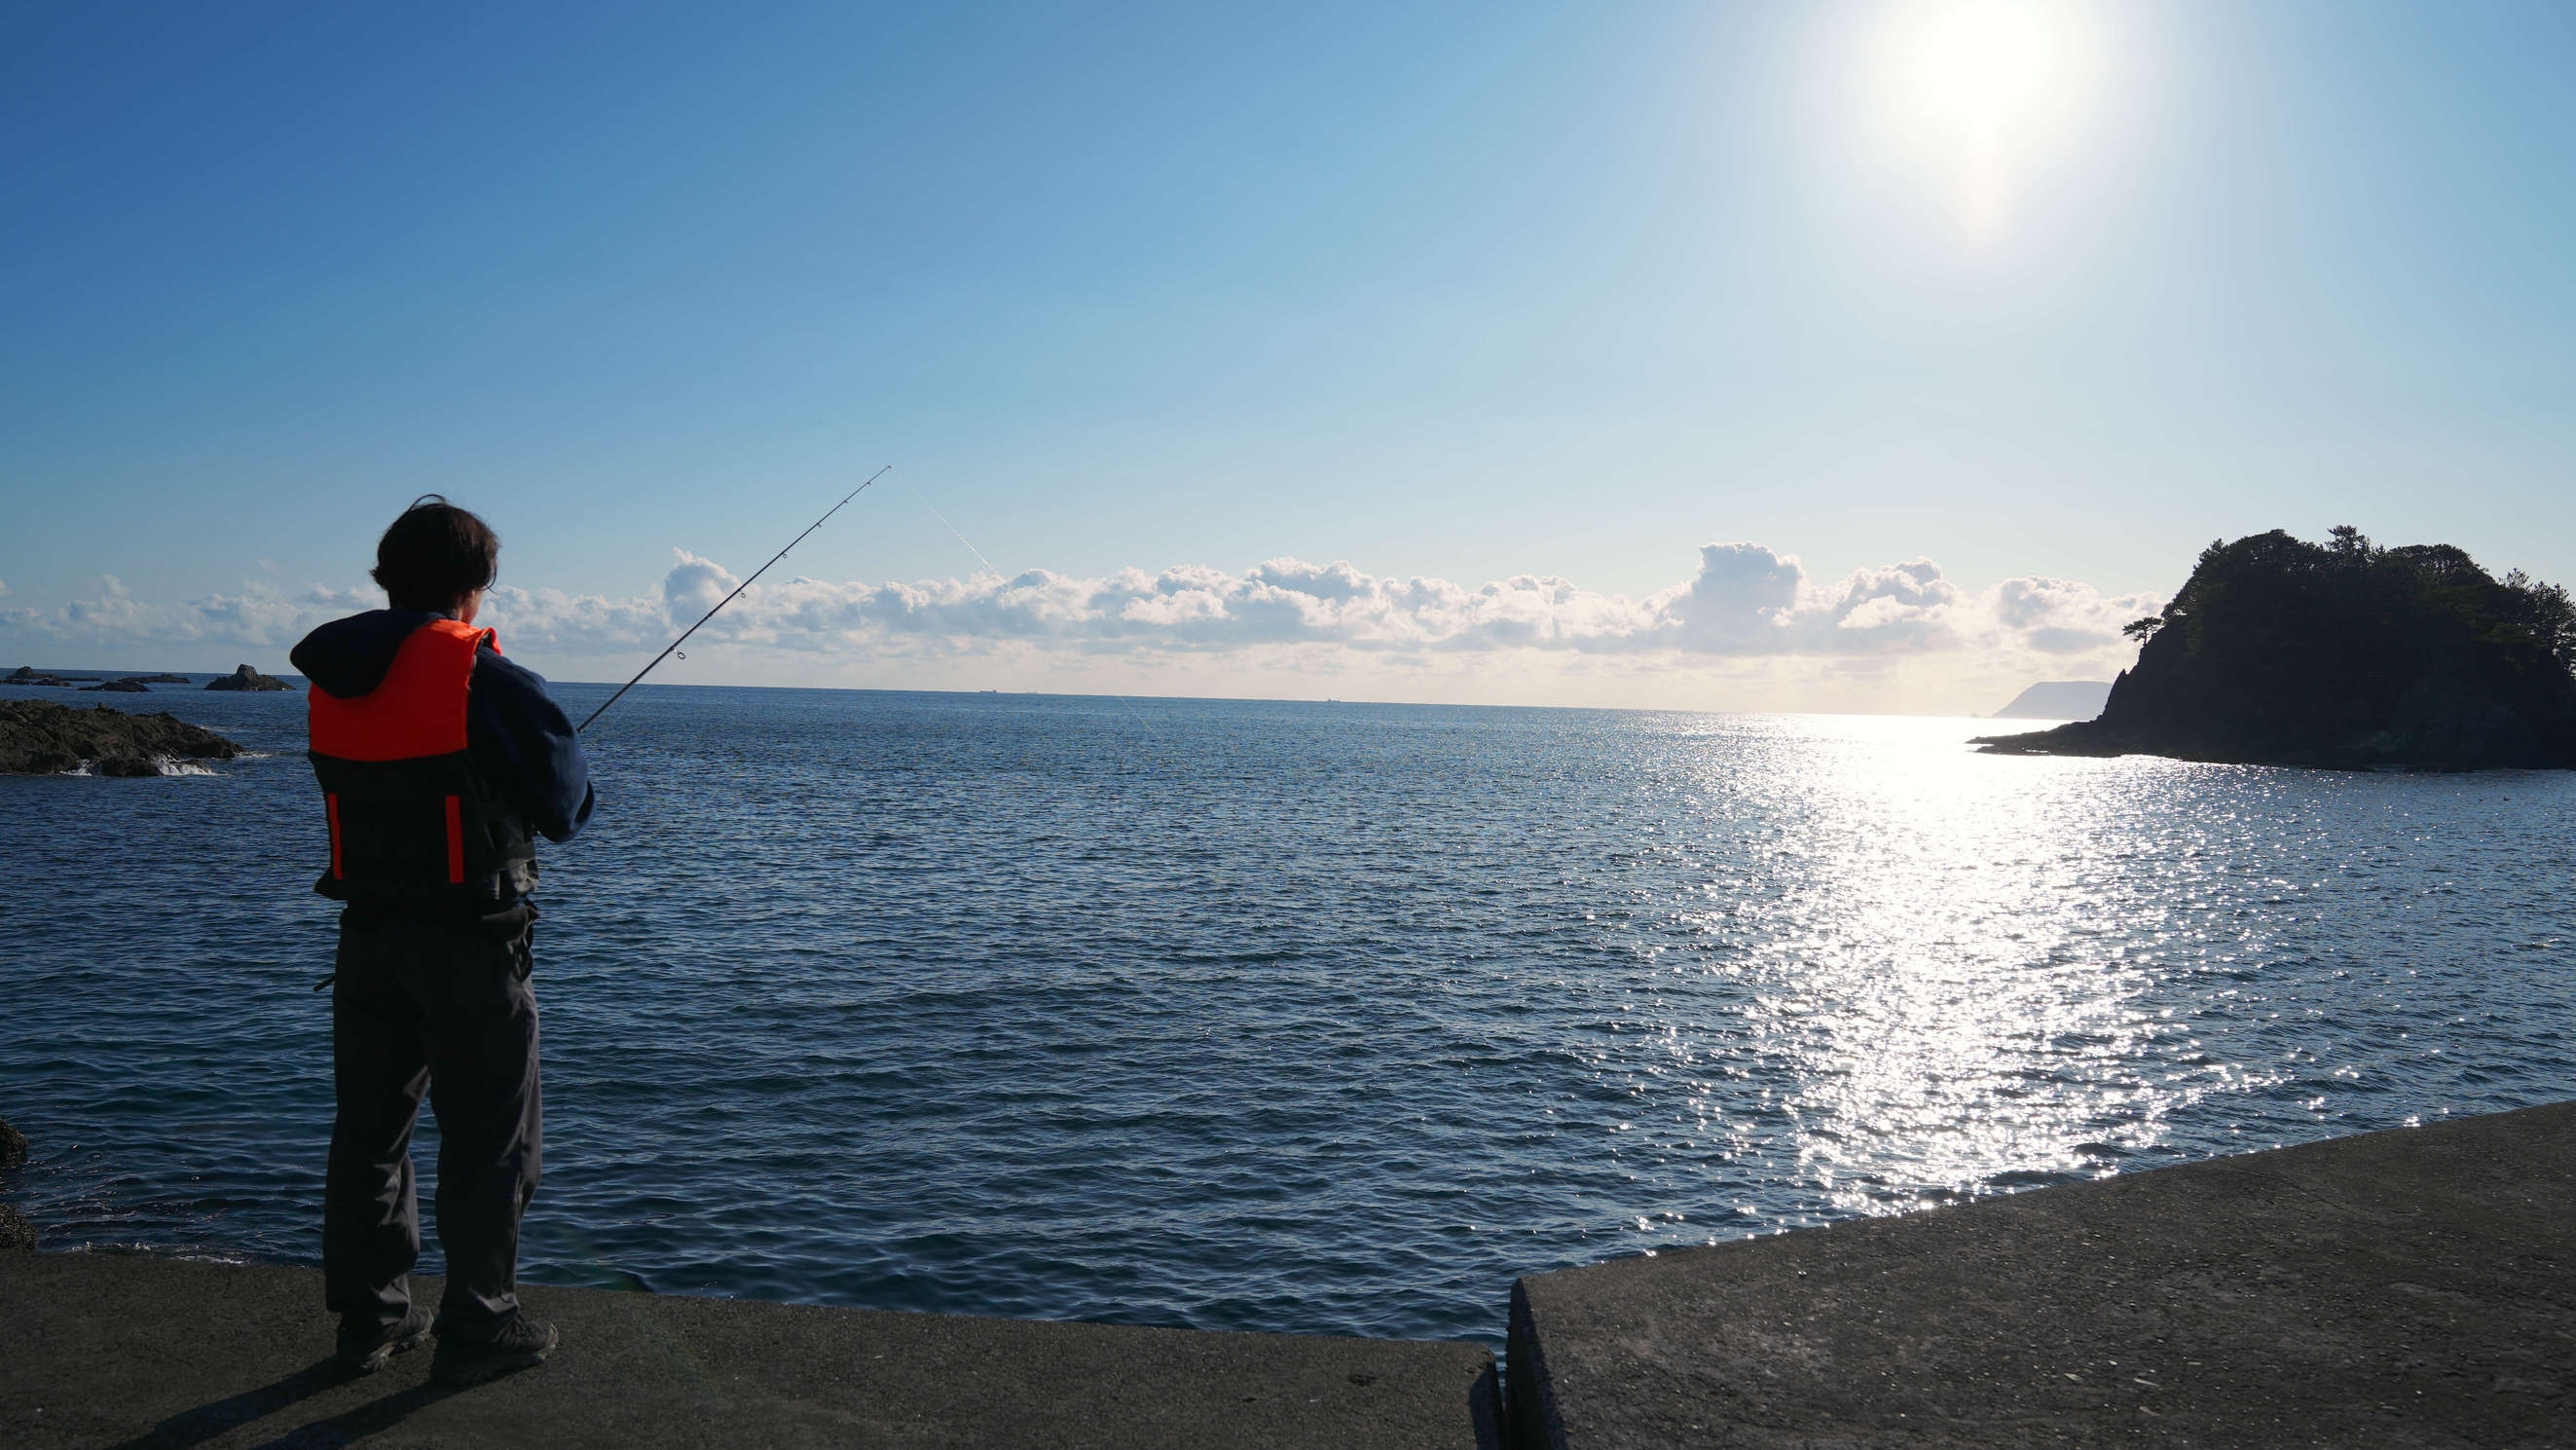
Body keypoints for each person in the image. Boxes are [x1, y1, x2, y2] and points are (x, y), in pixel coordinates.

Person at [289, 496, 594, 1384]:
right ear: (477, 584)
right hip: (472, 942)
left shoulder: (330, 679)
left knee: (370, 1136)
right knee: (492, 1139)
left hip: (367, 938)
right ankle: (478, 1322)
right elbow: (567, 809)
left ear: (386, 580)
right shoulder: (486, 679)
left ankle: (370, 1321)